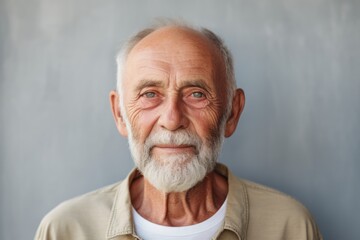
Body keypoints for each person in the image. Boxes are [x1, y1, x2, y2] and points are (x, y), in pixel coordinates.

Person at [35, 20, 322, 240]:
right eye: (149, 94)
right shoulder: (66, 229)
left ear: (232, 112)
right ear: (120, 113)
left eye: (196, 94)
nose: (172, 120)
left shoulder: (290, 225)